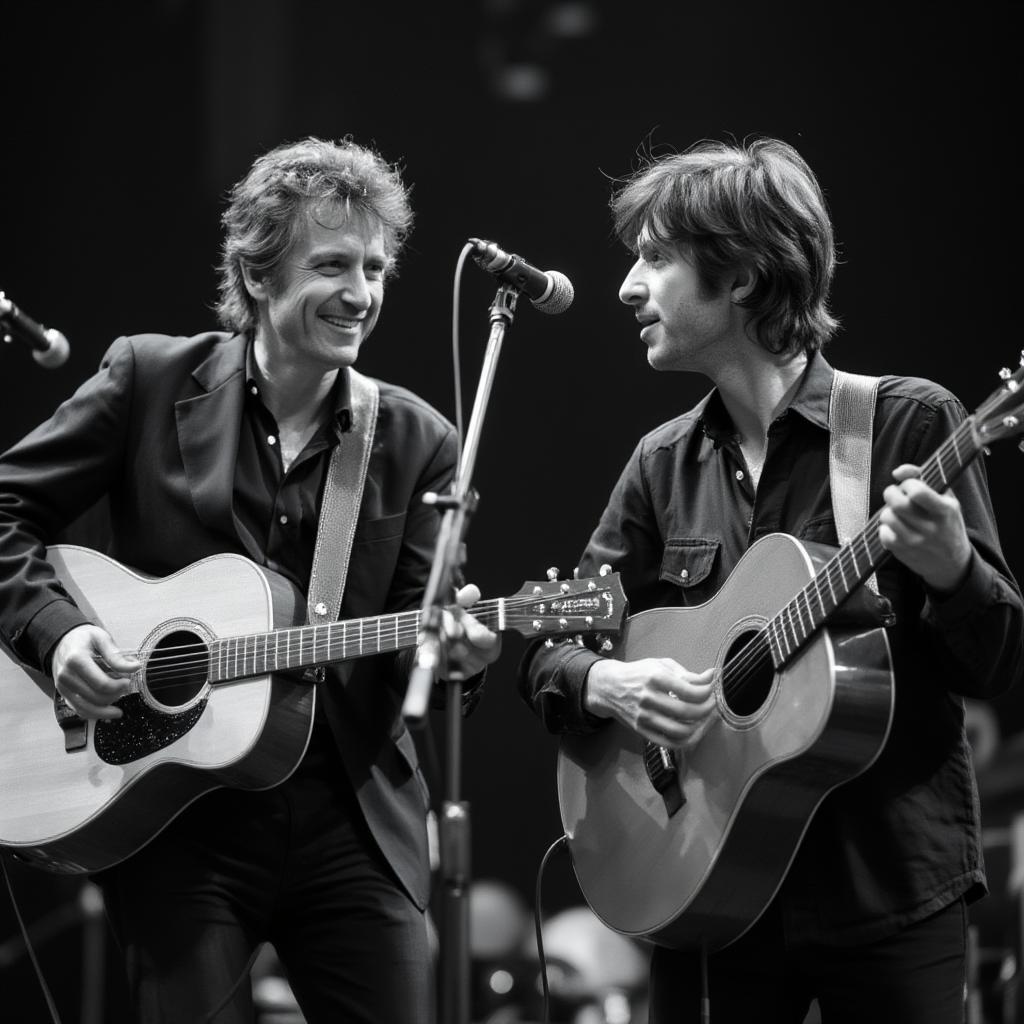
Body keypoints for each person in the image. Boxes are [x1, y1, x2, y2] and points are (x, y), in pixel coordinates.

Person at [519, 138, 1024, 1023]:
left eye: (655, 259)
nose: (628, 288)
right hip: (709, 896)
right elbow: (552, 646)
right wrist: (610, 681)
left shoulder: (911, 423)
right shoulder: (659, 465)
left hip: (888, 889)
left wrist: (951, 568)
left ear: (742, 276)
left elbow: (1000, 664)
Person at [0, 136, 501, 1023]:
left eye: (376, 268)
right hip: (173, 817)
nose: (363, 293)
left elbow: (414, 666)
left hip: (353, 822)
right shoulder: (148, 380)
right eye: (334, 264)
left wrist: (456, 664)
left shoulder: (418, 440)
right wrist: (59, 633)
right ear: (260, 274)